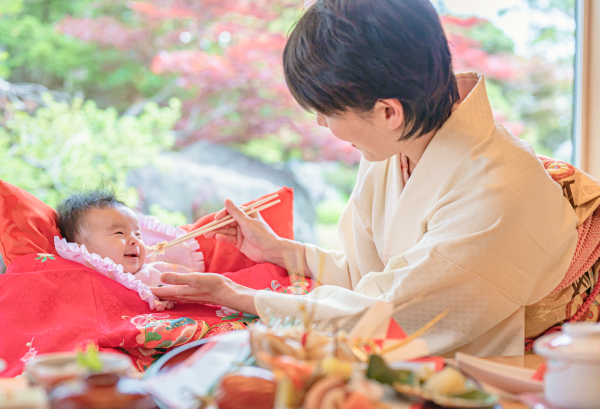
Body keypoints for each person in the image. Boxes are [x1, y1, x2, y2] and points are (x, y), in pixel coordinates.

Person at [150, 0, 579, 356]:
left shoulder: (495, 194)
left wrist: (237, 295)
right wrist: (283, 251)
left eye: (328, 112)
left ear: (388, 111)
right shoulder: (401, 139)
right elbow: (371, 275)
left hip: (537, 375)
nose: (320, 123)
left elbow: (389, 315)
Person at [57, 189, 194, 287]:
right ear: (82, 250)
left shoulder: (152, 274)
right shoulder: (76, 281)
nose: (135, 241)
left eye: (137, 234)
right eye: (119, 233)